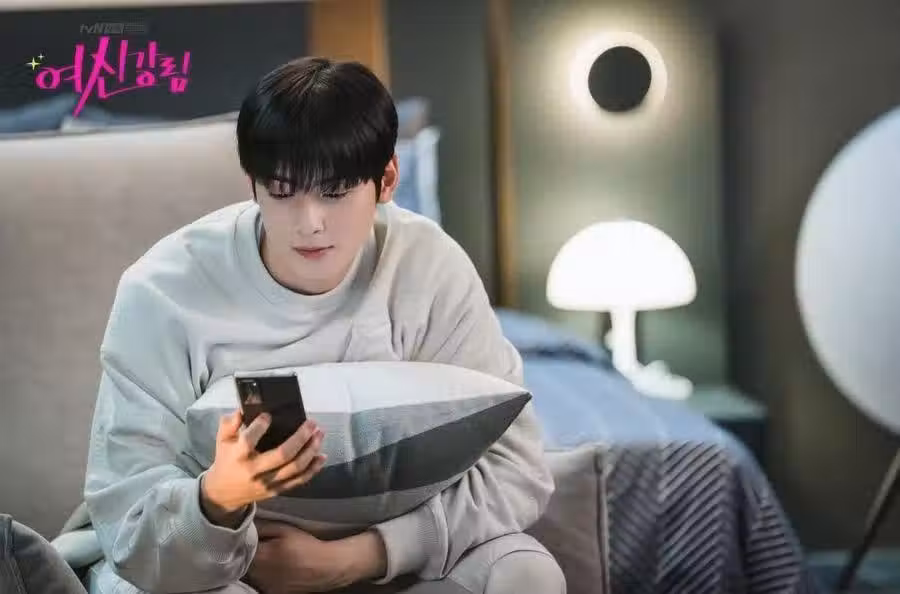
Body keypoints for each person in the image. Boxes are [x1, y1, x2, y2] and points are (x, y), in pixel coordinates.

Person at [84, 56, 565, 594]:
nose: (309, 223)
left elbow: (519, 468)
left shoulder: (428, 267)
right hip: (218, 568)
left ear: (386, 180)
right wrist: (218, 500)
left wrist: (362, 556)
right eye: (282, 190)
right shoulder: (163, 291)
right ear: (253, 184)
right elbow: (126, 516)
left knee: (527, 573)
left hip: (389, 560)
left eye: (334, 192)